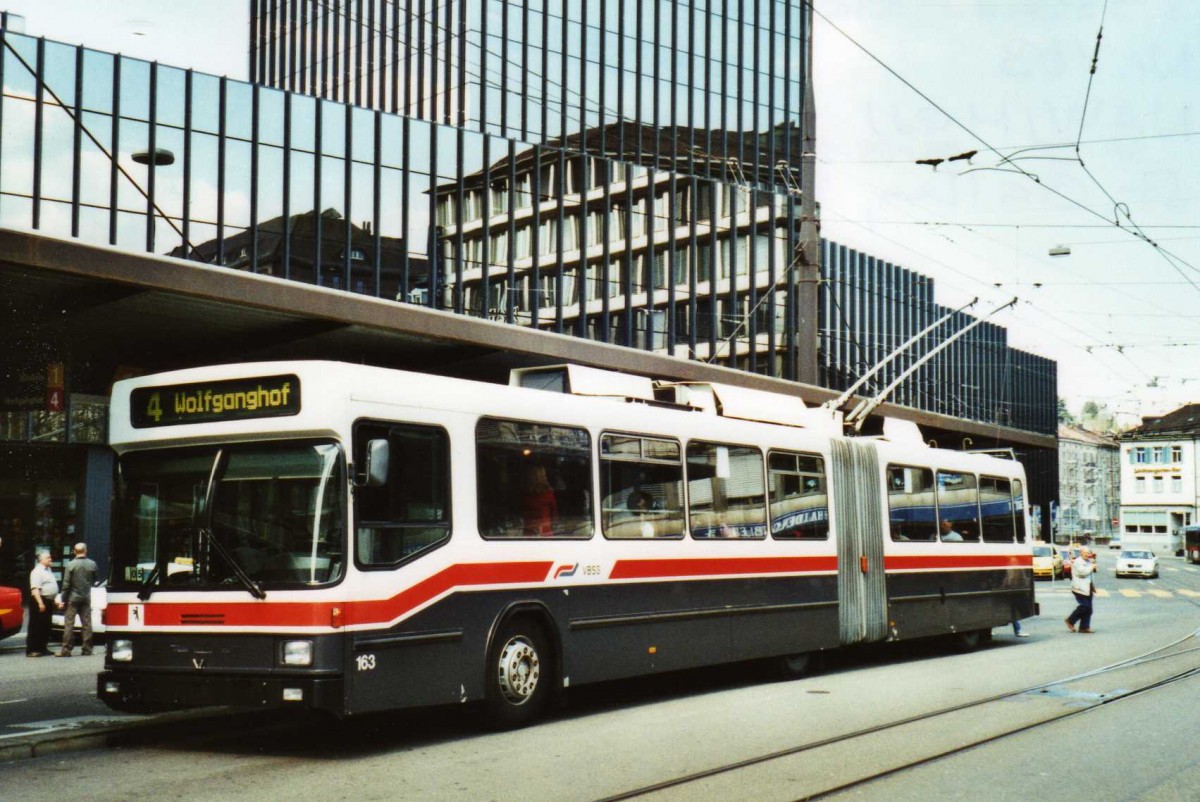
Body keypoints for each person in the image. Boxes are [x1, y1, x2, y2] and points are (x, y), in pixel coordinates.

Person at [58, 542, 98, 657]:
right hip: (86, 597)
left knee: (69, 624)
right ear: (86, 551)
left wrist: (63, 599)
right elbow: (95, 578)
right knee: (87, 623)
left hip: (72, 598)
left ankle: (66, 650)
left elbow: (66, 585)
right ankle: (87, 648)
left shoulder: (70, 565)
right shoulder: (92, 564)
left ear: (74, 551)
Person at [27, 550, 60, 657]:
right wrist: (40, 603)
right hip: (39, 600)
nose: (50, 559)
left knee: (46, 626)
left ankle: (43, 647)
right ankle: (33, 649)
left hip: (48, 600)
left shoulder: (48, 570)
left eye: (50, 557)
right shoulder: (37, 571)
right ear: (41, 560)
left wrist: (55, 601)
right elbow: (35, 589)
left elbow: (51, 587)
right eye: (48, 558)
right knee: (36, 625)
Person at [1066, 547, 1098, 633]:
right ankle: (1070, 620)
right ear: (1081, 553)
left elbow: (1092, 572)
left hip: (1088, 587)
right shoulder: (1078, 562)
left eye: (1088, 553)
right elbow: (1083, 572)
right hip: (1079, 588)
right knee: (1085, 607)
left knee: (1089, 609)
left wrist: (1093, 586)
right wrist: (1092, 566)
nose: (1087, 554)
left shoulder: (1088, 561)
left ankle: (1084, 627)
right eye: (1085, 553)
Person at [521, 465, 558, 536]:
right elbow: (554, 512)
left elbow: (524, 512)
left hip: (530, 529)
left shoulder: (526, 494)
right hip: (545, 529)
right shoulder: (549, 493)